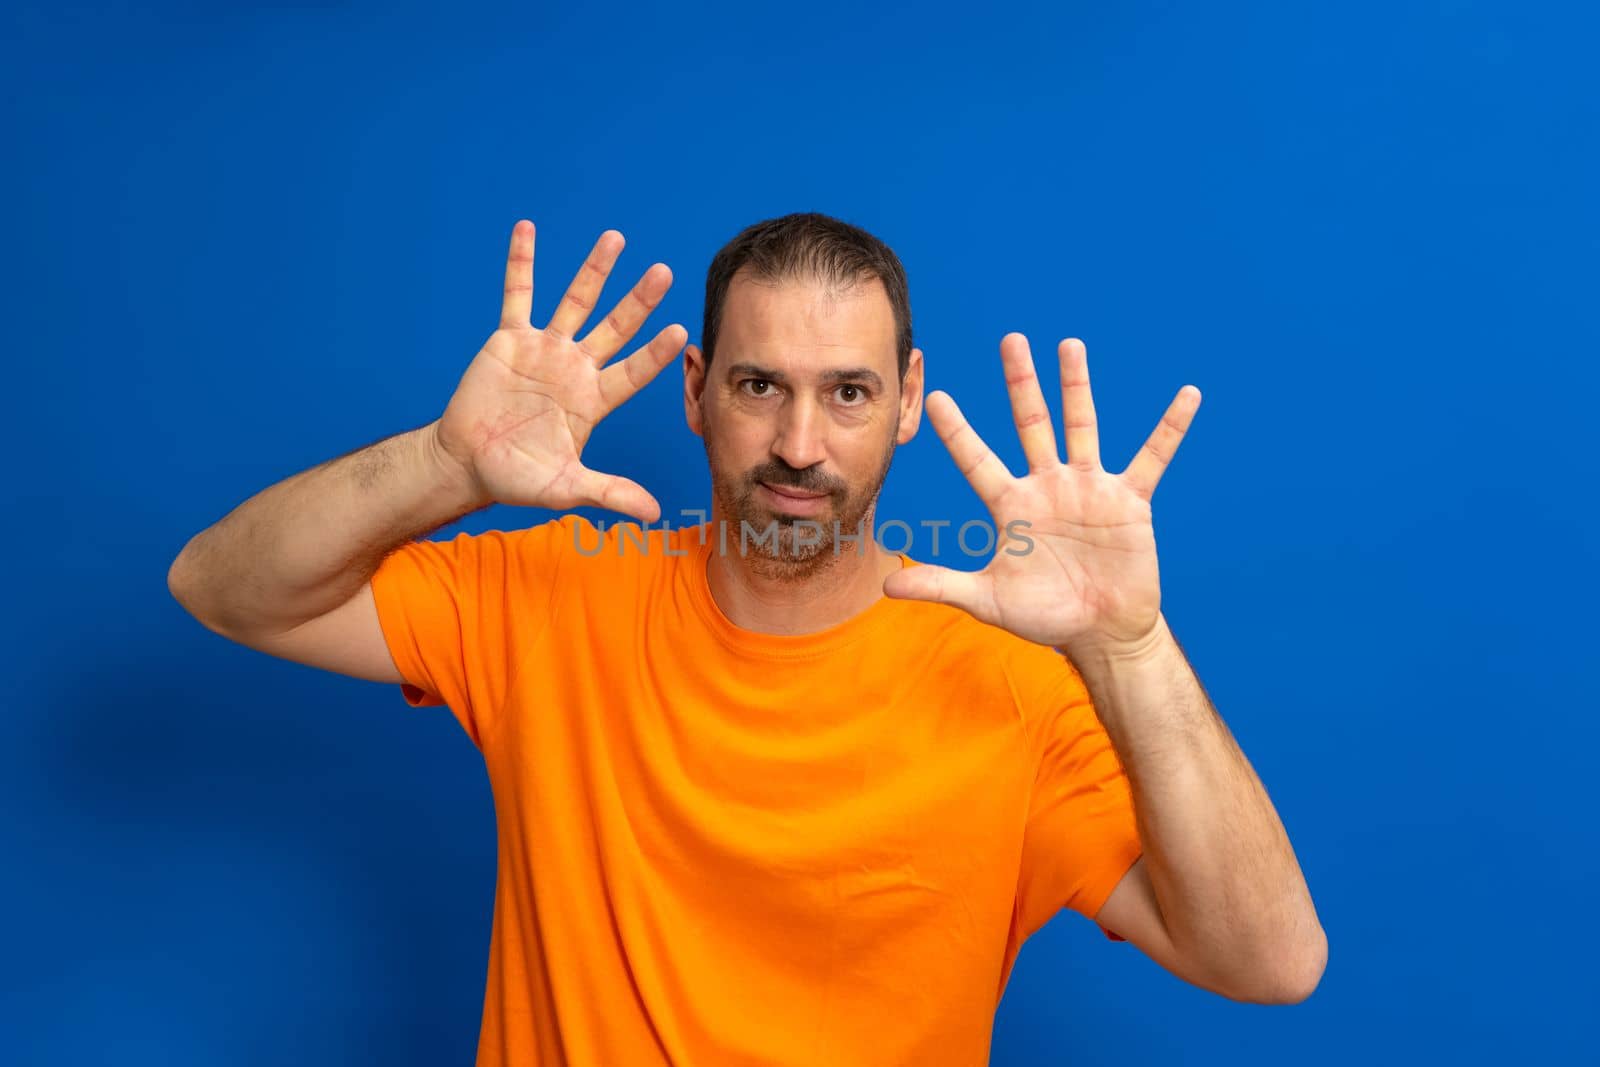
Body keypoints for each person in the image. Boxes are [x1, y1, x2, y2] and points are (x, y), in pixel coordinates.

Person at [168, 212, 1325, 1065]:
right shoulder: (550, 594)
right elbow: (224, 586)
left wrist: (1127, 646)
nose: (800, 443)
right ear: (695, 390)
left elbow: (1269, 961)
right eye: (761, 383)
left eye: (850, 392)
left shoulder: (1013, 688)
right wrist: (439, 465)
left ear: (912, 398)